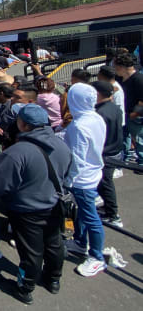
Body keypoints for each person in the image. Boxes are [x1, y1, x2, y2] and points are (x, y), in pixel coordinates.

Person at [0, 104, 71, 304]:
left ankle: (25, 287)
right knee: (54, 243)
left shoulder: (19, 151)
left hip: (26, 209)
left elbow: (0, 184)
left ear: (23, 124)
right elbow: (70, 173)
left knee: (30, 251)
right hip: (55, 203)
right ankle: (53, 279)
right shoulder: (62, 145)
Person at [63, 83, 108, 277]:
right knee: (82, 212)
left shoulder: (79, 125)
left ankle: (97, 257)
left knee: (91, 217)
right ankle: (80, 242)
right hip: (94, 172)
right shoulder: (96, 117)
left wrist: (69, 180)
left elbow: (77, 158)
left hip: (82, 179)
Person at [91, 81, 124, 227]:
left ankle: (114, 215)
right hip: (115, 150)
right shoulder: (115, 108)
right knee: (105, 183)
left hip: (106, 153)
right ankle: (108, 208)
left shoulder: (100, 113)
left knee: (105, 184)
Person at [113, 53, 143, 168]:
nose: (115, 70)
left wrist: (134, 114)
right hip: (125, 113)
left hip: (135, 115)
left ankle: (141, 163)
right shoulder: (120, 78)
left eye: (116, 67)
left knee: (139, 139)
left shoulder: (138, 79)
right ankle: (126, 157)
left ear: (121, 67)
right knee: (125, 137)